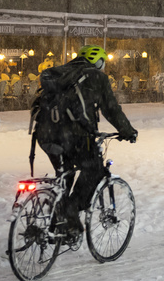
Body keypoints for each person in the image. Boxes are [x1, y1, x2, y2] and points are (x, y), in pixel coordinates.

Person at [32, 46, 138, 235]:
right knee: (94, 170)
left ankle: (60, 224)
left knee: (65, 175)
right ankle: (70, 212)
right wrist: (127, 131)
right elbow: (111, 108)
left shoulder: (61, 73)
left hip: (46, 134)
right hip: (75, 136)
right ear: (98, 61)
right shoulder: (97, 77)